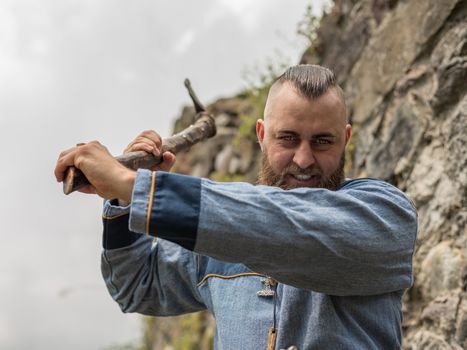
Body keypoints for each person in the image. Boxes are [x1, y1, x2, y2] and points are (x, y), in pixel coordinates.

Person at [55, 65, 417, 349]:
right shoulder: (219, 235)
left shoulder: (383, 216)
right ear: (261, 135)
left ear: (346, 140)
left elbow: (291, 225)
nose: (304, 159)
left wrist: (134, 187)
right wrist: (120, 201)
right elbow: (137, 286)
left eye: (322, 141)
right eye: (287, 138)